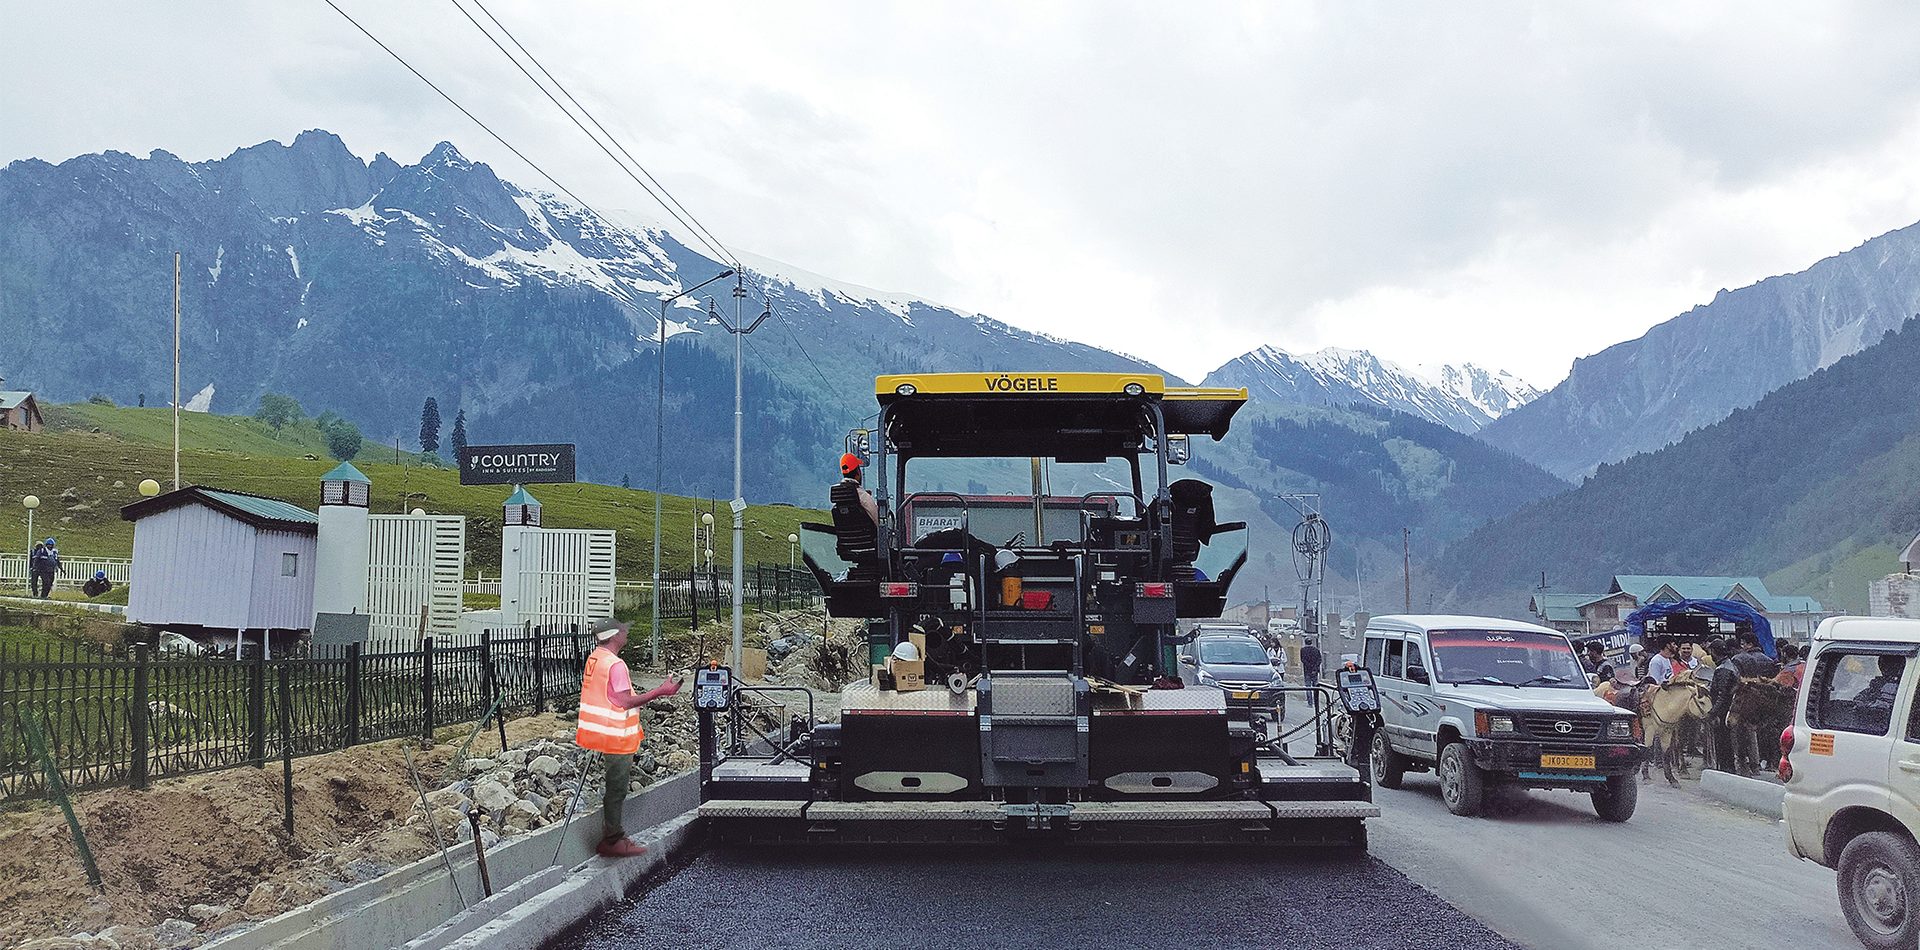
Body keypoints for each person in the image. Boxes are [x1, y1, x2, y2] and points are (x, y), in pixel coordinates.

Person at [574, 618, 682, 858]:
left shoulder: (596, 658)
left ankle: (614, 836)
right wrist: (660, 691)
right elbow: (624, 701)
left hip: (600, 731)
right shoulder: (616, 665)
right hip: (616, 735)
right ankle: (612, 840)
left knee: (614, 786)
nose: (626, 633)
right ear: (614, 635)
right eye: (623, 630)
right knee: (617, 788)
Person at [1707, 639, 1740, 773]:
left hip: (1723, 712)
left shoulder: (1723, 669)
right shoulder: (1730, 665)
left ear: (1714, 652)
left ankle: (1726, 768)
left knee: (1722, 742)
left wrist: (1713, 712)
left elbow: (1722, 695)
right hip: (1727, 709)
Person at [833, 453, 878, 527]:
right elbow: (878, 521)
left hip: (844, 534)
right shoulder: (863, 496)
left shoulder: (838, 494)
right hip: (866, 534)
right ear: (857, 473)